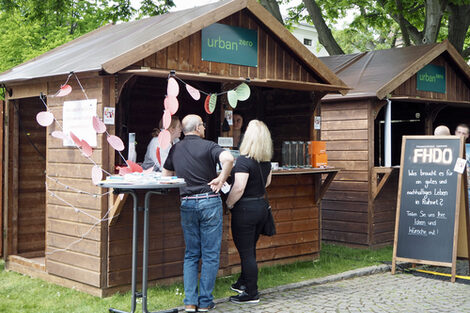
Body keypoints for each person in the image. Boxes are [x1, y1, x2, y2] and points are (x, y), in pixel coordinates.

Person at [162, 114, 234, 313]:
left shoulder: (175, 148)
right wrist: (221, 178)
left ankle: (190, 303)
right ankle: (204, 302)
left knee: (191, 254)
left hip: (187, 203)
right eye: (203, 124)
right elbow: (229, 158)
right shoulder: (209, 146)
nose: (204, 128)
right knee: (210, 255)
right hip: (209, 202)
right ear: (198, 128)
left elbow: (166, 176)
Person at [225, 120, 273, 304]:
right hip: (260, 207)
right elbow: (267, 183)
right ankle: (242, 282)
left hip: (245, 210)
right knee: (249, 249)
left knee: (246, 253)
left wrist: (229, 204)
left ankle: (251, 292)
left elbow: (238, 188)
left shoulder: (244, 161)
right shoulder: (265, 162)